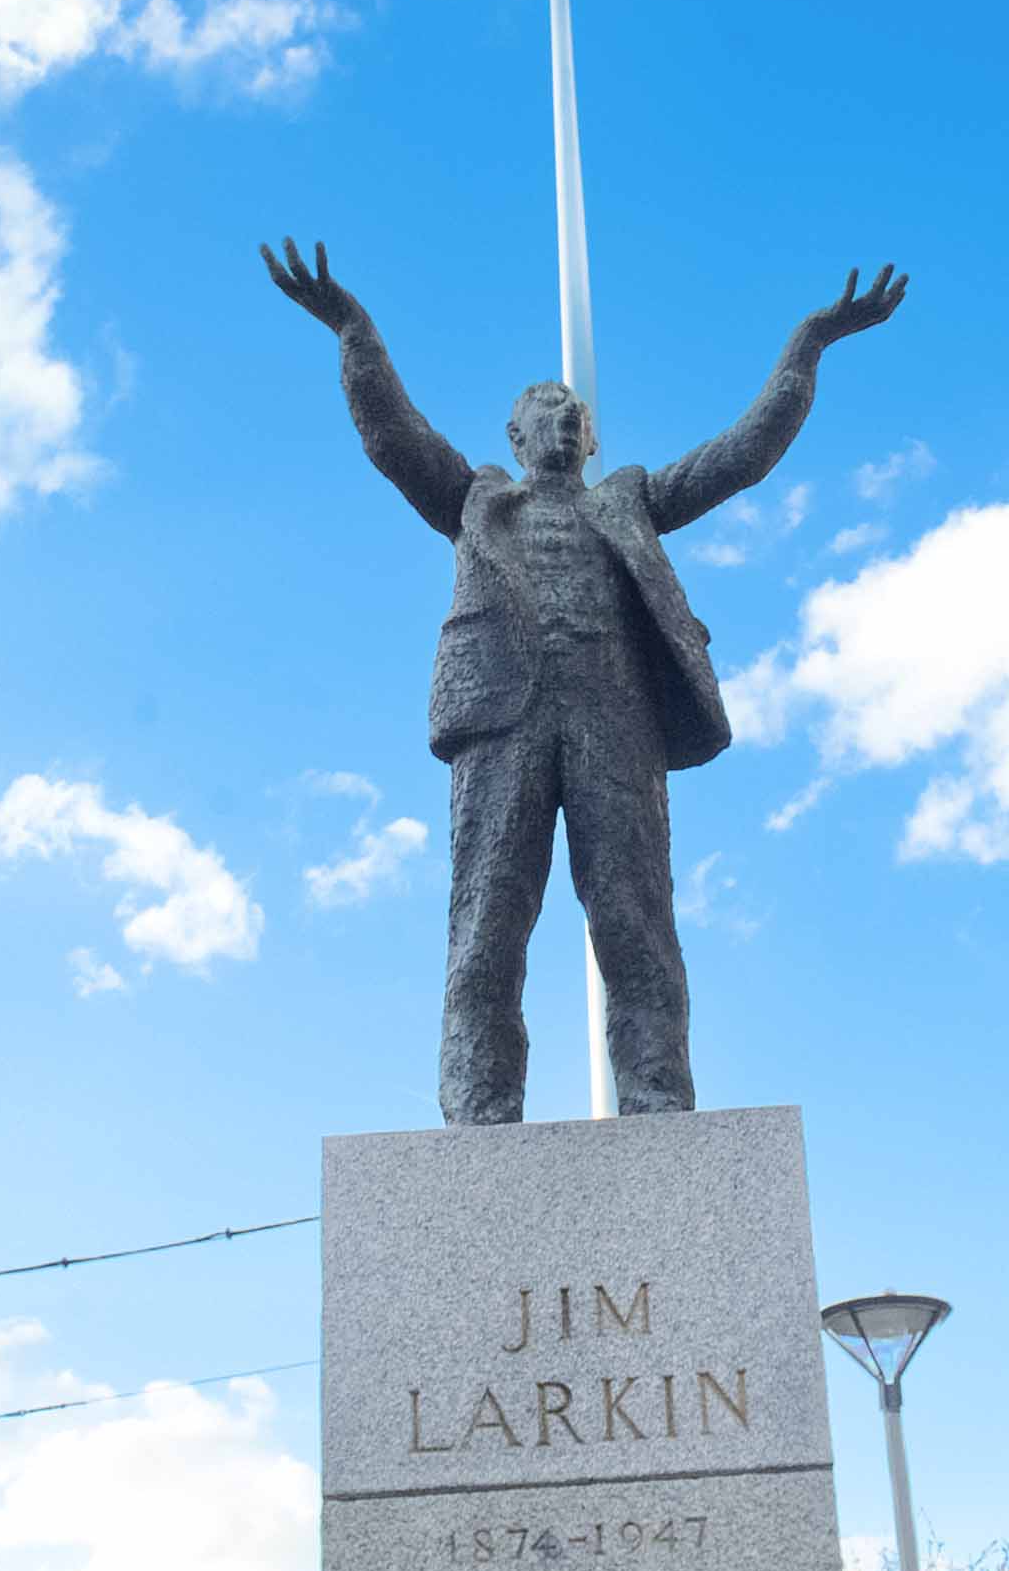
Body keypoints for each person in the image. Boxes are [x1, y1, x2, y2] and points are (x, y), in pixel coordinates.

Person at [261, 238, 907, 1124]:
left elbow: (744, 454)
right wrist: (350, 325)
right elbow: (389, 430)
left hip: (617, 720)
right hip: (502, 720)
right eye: (543, 415)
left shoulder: (630, 500)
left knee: (635, 924)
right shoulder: (473, 498)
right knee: (487, 926)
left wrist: (810, 343)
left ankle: (659, 1103)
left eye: (575, 417)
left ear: (591, 438)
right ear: (514, 439)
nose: (562, 425)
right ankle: (480, 1111)